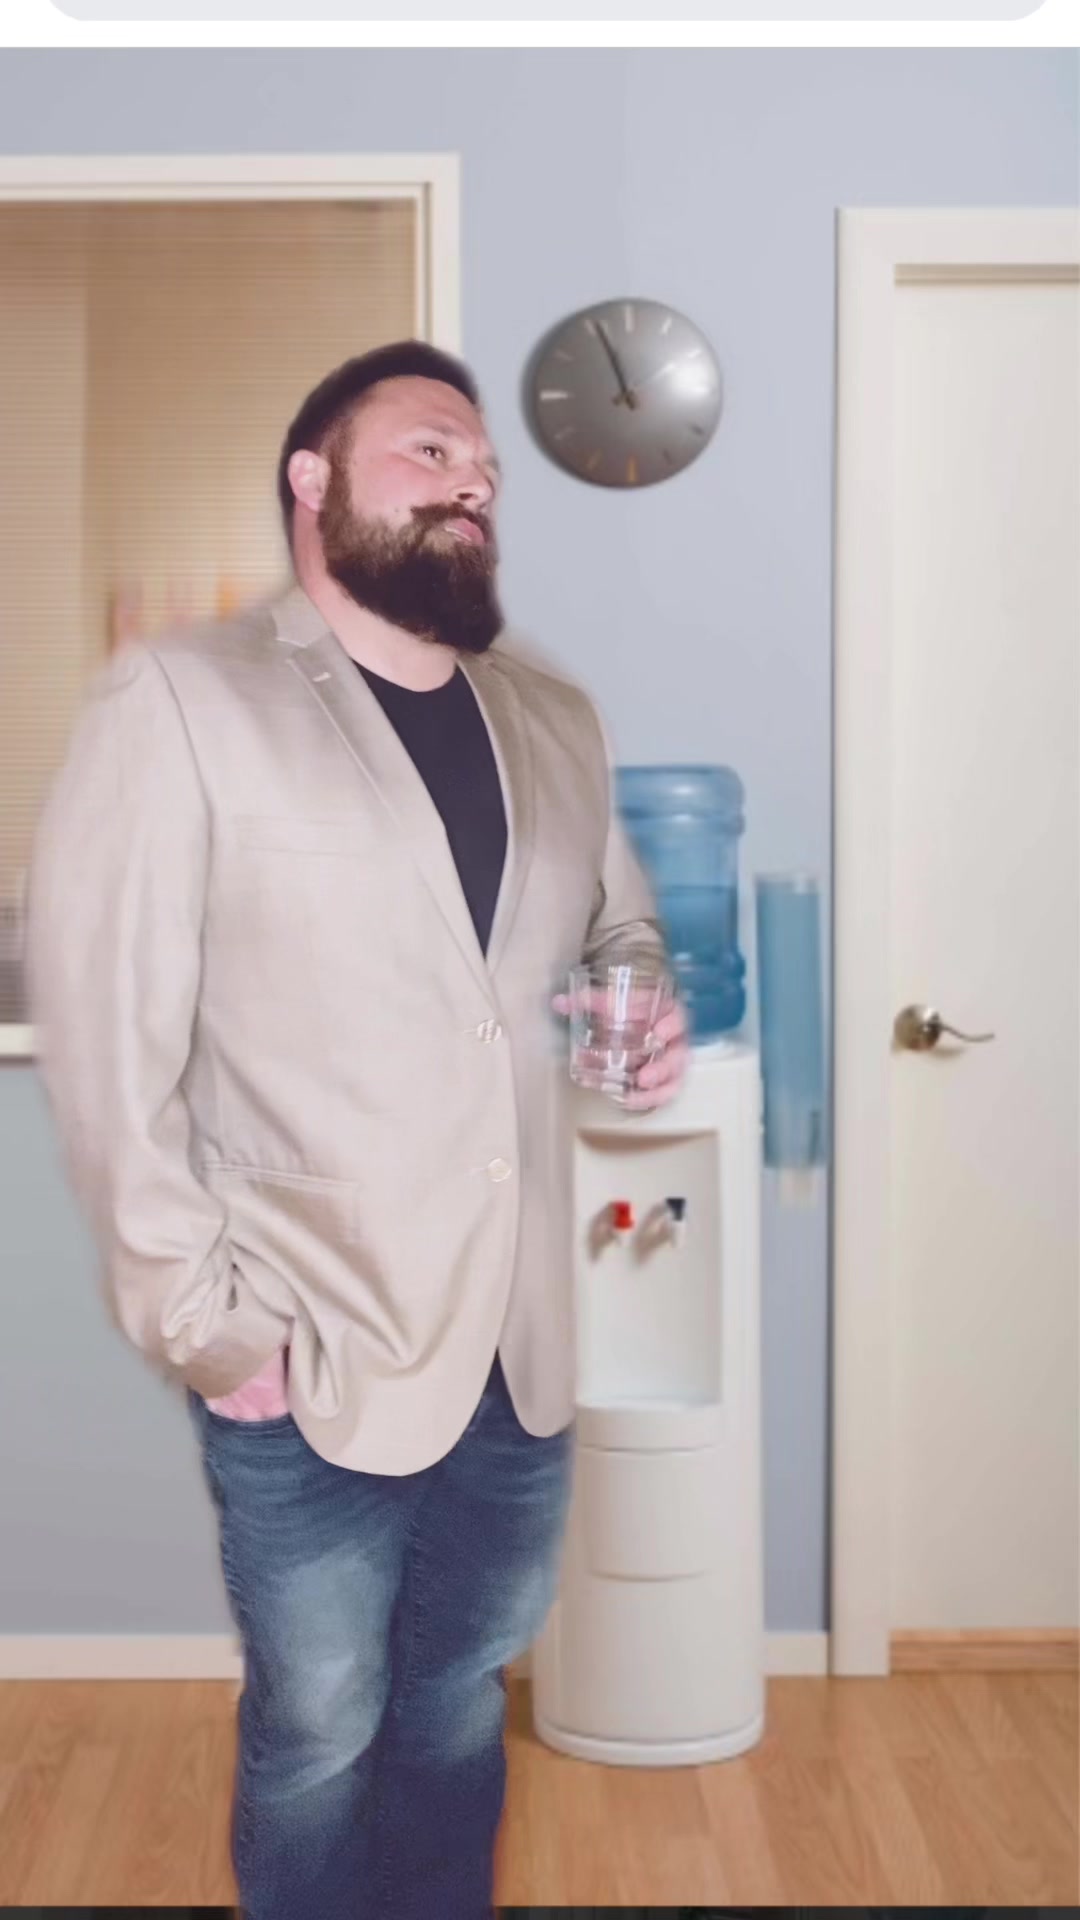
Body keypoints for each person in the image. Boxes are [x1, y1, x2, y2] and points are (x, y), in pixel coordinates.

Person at [25, 340, 690, 1920]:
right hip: (308, 1342)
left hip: (521, 1344)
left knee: (459, 1703)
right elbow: (108, 1046)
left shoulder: (553, 715)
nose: (474, 481)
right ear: (311, 481)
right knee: (320, 1729)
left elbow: (615, 932)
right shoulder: (186, 699)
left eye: (485, 466)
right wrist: (206, 1328)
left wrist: (643, 1003)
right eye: (431, 451)